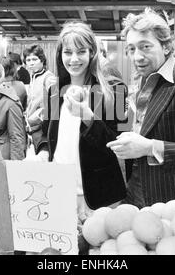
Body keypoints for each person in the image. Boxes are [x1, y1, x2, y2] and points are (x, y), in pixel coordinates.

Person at [106, 8, 175, 208]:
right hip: (135, 190)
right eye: (131, 49)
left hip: (167, 197)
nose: (137, 56)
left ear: (165, 47)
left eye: (145, 47)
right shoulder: (144, 81)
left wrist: (148, 147)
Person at [32, 21, 128, 221]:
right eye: (68, 52)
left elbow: (120, 144)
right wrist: (42, 151)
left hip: (99, 195)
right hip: (59, 192)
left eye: (81, 51)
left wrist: (88, 117)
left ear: (92, 52)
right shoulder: (54, 91)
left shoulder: (114, 90)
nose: (74, 59)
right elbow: (44, 132)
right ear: (60, 55)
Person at [23, 44, 55, 147]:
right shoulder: (33, 77)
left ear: (42, 60)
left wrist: (36, 118)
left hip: (41, 129)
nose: (31, 63)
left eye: (34, 59)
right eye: (28, 60)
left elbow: (54, 105)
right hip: (31, 128)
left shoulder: (49, 78)